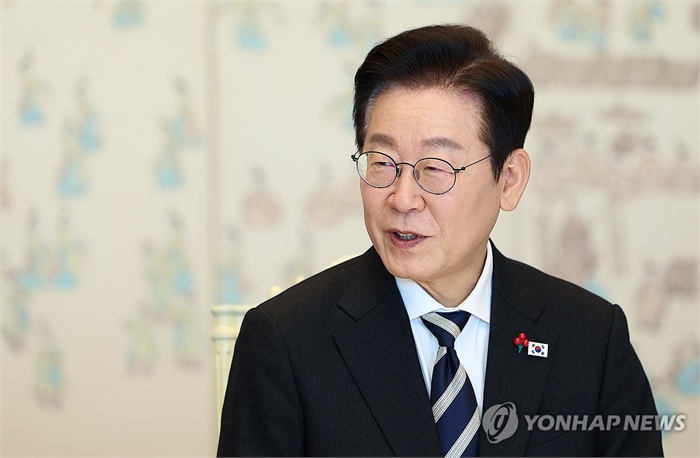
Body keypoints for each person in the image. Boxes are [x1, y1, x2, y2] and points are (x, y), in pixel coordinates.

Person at [217, 24, 663, 457]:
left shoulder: (591, 338)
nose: (402, 198)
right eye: (382, 162)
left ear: (509, 179)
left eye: (435, 168)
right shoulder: (286, 341)